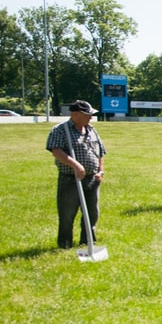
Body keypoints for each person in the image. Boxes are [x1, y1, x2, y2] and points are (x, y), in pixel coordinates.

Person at [45, 99, 106, 249]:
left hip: (92, 179)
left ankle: (88, 242)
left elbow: (101, 151)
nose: (91, 117)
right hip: (70, 179)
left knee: (92, 213)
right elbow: (56, 151)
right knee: (67, 214)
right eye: (88, 115)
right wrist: (76, 165)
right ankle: (65, 244)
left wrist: (100, 171)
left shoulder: (91, 129)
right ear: (76, 114)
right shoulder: (60, 130)